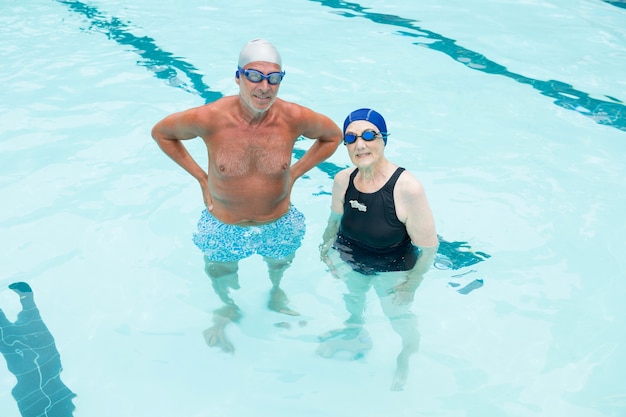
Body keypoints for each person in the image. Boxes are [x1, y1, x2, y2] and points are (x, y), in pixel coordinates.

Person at [151, 39, 342, 352]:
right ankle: (226, 306)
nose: (264, 87)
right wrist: (201, 177)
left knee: (279, 265)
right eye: (254, 76)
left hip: (279, 221)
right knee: (222, 272)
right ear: (238, 76)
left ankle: (277, 292)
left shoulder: (292, 118)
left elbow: (332, 136)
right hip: (224, 224)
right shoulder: (209, 118)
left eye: (274, 78)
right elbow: (162, 133)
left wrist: (294, 173)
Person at [318, 108, 438, 391]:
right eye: (351, 138)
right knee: (353, 301)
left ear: (383, 138)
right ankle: (353, 331)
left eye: (369, 135)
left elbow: (429, 248)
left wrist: (411, 284)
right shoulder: (342, 181)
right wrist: (325, 250)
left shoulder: (407, 188)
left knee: (399, 319)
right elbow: (334, 222)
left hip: (393, 264)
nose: (360, 144)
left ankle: (406, 354)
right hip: (351, 255)